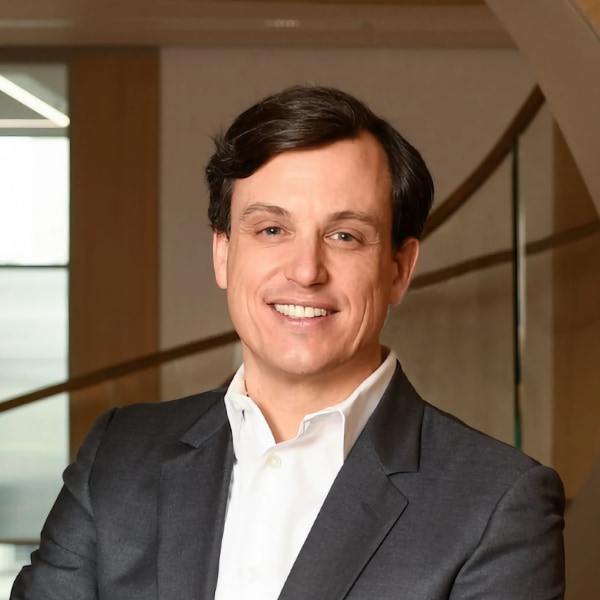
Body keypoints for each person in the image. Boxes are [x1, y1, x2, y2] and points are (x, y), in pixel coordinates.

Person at [11, 85, 564, 599]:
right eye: (272, 229)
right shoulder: (119, 454)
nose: (306, 271)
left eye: (344, 236)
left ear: (399, 267)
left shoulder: (499, 504)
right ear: (223, 253)